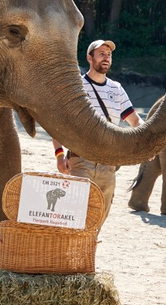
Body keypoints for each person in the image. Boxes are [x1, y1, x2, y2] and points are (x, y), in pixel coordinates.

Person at [51, 39, 144, 227]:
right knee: (74, 216)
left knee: (98, 218)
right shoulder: (76, 86)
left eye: (108, 54)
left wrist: (147, 137)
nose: (106, 57)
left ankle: (86, 255)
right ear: (89, 58)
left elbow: (134, 120)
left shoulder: (116, 89)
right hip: (81, 160)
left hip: (108, 165)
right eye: (101, 53)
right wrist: (60, 155)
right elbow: (58, 124)